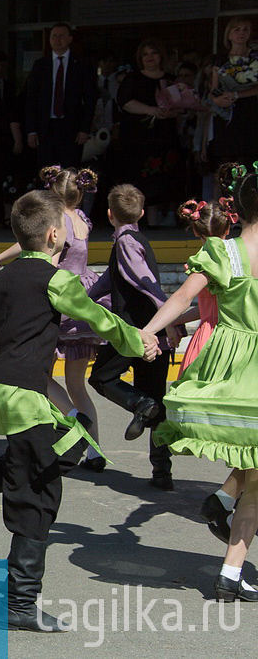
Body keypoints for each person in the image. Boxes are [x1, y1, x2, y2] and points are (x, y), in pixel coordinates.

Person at [0, 189, 157, 632]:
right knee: (38, 494)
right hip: (24, 398)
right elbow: (100, 319)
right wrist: (138, 342)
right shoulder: (56, 280)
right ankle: (19, 606)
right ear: (56, 235)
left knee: (72, 445)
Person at [140, 166, 258, 601]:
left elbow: (181, 298)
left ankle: (231, 564)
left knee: (254, 472)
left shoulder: (224, 253)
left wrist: (148, 332)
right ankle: (230, 566)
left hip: (228, 372)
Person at [0, 167, 104, 469]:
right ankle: (94, 449)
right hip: (83, 295)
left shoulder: (59, 222)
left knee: (41, 376)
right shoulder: (83, 220)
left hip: (59, 298)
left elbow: (41, 252)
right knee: (77, 384)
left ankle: (73, 421)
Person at [87, 184, 181, 490]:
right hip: (152, 333)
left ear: (110, 214)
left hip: (135, 332)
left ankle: (138, 404)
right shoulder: (132, 241)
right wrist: (79, 301)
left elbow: (148, 284)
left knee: (101, 378)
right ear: (141, 213)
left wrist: (169, 320)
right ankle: (162, 472)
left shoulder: (126, 242)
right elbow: (106, 281)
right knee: (156, 398)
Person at [157, 198, 239, 543]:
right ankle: (224, 500)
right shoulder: (230, 258)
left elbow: (197, 306)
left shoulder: (206, 259)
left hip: (208, 336)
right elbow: (202, 306)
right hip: (226, 343)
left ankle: (224, 498)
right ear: (230, 226)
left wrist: (172, 321)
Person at [114, 40, 183, 227]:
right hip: (139, 136)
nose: (150, 57)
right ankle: (147, 221)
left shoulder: (170, 79)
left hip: (164, 134)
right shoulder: (133, 78)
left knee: (166, 175)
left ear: (161, 56)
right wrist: (151, 110)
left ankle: (166, 216)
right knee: (142, 176)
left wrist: (170, 112)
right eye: (146, 54)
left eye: (154, 53)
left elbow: (181, 105)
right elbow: (125, 102)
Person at [24, 23, 98, 170]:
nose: (57, 39)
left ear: (70, 38)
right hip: (46, 128)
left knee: (70, 173)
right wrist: (31, 130)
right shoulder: (40, 65)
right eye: (54, 36)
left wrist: (84, 128)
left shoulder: (82, 63)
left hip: (71, 128)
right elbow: (31, 99)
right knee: (47, 173)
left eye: (61, 36)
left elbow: (90, 99)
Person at [207, 17, 258, 168]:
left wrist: (238, 95)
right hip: (226, 114)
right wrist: (216, 100)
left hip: (250, 112)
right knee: (228, 163)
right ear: (229, 34)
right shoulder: (219, 59)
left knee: (249, 160)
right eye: (237, 29)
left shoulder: (255, 56)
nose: (241, 33)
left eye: (245, 30)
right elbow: (213, 90)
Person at [0, 50, 24, 227]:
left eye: (3, 66)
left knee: (8, 177)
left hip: (7, 138)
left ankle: (7, 213)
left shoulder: (9, 87)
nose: (0, 68)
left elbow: (13, 113)